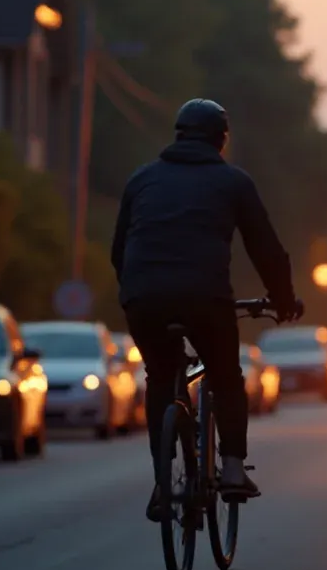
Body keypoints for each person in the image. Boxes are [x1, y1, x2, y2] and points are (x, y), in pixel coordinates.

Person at [111, 98, 302, 522]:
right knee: (225, 376)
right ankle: (233, 467)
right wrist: (284, 300)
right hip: (204, 298)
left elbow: (119, 249)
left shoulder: (142, 179)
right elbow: (265, 249)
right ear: (222, 141)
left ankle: (164, 485)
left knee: (161, 377)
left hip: (143, 297)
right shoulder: (233, 182)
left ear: (177, 135)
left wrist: (137, 290)